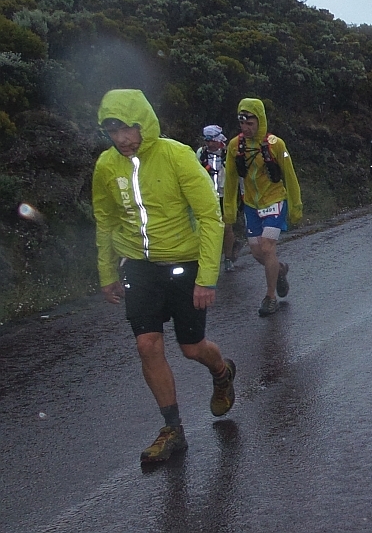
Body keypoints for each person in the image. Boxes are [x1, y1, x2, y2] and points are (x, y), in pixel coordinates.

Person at [91, 89, 236, 465]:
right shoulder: (107, 166)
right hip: (138, 269)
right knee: (147, 346)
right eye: (113, 130)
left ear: (145, 123)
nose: (123, 138)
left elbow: (209, 217)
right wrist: (107, 272)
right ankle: (173, 430)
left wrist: (207, 277)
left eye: (129, 128)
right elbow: (105, 221)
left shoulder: (177, 156)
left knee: (192, 348)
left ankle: (221, 372)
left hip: (184, 266)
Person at [222, 98, 303, 317]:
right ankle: (280, 270)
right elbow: (229, 180)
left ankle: (270, 297)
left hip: (275, 201)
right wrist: (228, 210)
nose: (246, 128)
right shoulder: (234, 146)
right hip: (251, 205)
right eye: (243, 124)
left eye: (250, 123)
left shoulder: (276, 144)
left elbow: (289, 175)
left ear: (260, 121)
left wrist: (296, 205)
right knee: (258, 253)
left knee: (268, 248)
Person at [196, 125, 240, 270]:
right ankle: (207, 261)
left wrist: (243, 194)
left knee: (227, 228)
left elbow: (238, 174)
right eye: (207, 141)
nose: (209, 144)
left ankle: (228, 259)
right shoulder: (201, 153)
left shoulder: (228, 153)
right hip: (207, 197)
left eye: (212, 140)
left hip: (225, 196)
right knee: (207, 229)